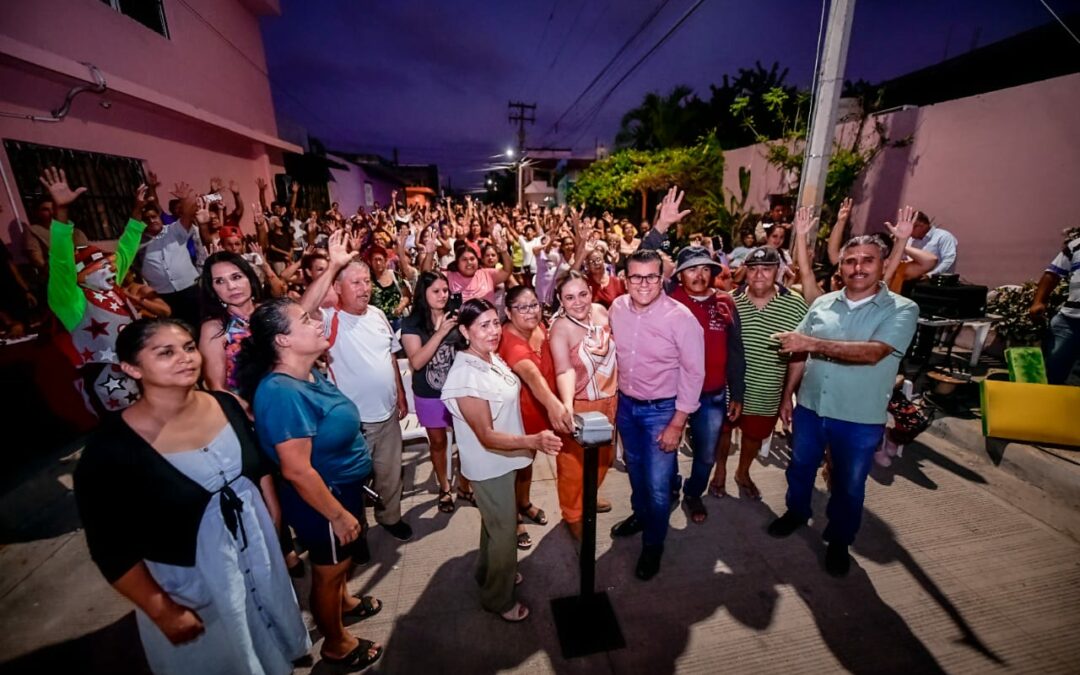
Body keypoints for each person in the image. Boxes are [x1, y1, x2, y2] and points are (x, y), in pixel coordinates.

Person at [74, 318, 310, 675]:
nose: (185, 358)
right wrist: (162, 610)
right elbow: (111, 548)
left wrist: (275, 533)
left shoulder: (224, 405)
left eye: (187, 347)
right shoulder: (111, 450)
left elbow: (259, 472)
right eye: (165, 352)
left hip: (258, 558)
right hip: (193, 585)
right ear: (131, 368)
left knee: (272, 637)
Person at [237, 298, 384, 670]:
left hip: (340, 487)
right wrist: (336, 514)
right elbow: (298, 470)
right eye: (305, 320)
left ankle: (345, 603)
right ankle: (336, 644)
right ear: (283, 341)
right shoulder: (282, 393)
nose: (317, 321)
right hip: (322, 499)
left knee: (340, 562)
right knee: (328, 569)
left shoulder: (306, 372)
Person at [769, 231, 919, 577]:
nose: (858, 267)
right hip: (810, 407)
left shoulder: (901, 309)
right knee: (800, 468)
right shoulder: (823, 303)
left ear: (883, 265)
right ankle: (797, 512)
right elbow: (798, 351)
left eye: (868, 260)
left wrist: (812, 342)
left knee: (849, 484)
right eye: (851, 260)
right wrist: (786, 397)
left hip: (858, 416)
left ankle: (838, 540)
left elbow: (874, 352)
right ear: (841, 266)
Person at [441, 299, 562, 621]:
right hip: (489, 464)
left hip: (504, 461)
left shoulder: (488, 358)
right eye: (484, 325)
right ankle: (498, 599)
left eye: (496, 323)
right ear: (465, 331)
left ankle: (489, 573)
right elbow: (486, 435)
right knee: (505, 531)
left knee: (494, 525)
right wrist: (533, 441)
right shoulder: (466, 376)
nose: (494, 331)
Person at [302, 232, 413, 542]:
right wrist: (332, 266)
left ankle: (390, 517)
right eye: (356, 283)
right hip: (354, 423)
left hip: (388, 415)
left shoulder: (378, 315)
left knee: (391, 474)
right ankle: (358, 533)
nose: (365, 288)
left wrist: (400, 394)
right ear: (337, 288)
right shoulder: (328, 319)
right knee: (353, 482)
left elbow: (390, 357)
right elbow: (300, 313)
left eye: (367, 282)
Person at [608, 242, 705, 580]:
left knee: (659, 484)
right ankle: (640, 515)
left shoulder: (681, 319)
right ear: (625, 279)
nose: (644, 284)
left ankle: (653, 544)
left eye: (651, 278)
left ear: (663, 279)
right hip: (627, 406)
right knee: (634, 470)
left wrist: (678, 422)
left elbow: (695, 373)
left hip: (662, 410)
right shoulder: (616, 308)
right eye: (637, 278)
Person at [42, 167, 145, 415]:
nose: (111, 271)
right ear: (81, 276)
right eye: (102, 268)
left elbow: (126, 249)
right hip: (110, 384)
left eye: (110, 266)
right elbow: (61, 263)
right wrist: (61, 213)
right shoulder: (71, 301)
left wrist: (137, 209)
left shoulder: (110, 286)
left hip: (142, 372)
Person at [712, 246, 807, 499]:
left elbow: (799, 356)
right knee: (722, 432)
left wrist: (788, 395)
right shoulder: (730, 301)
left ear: (778, 270)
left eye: (766, 269)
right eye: (753, 269)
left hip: (768, 388)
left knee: (754, 435)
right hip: (730, 386)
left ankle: (743, 472)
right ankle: (719, 471)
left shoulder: (796, 305)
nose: (759, 275)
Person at [668, 246, 746, 523]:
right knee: (666, 448)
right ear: (679, 276)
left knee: (706, 456)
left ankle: (692, 493)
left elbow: (736, 350)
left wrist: (737, 393)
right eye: (691, 269)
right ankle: (671, 486)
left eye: (704, 268)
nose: (699, 275)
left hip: (712, 393)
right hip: (671, 394)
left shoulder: (725, 301)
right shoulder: (669, 298)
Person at [498, 286, 574, 550]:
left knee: (526, 463)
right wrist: (555, 405)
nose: (530, 312)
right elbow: (532, 376)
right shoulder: (508, 339)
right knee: (513, 468)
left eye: (533, 305)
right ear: (508, 311)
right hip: (518, 416)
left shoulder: (538, 325)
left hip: (538, 411)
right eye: (522, 307)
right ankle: (514, 519)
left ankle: (525, 503)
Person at [549, 271, 618, 540]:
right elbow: (563, 370)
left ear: (591, 291)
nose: (578, 302)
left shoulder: (602, 312)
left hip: (612, 400)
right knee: (572, 465)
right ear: (560, 300)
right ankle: (572, 513)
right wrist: (567, 406)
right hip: (582, 404)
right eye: (569, 297)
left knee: (603, 459)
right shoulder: (560, 328)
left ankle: (589, 495)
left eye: (582, 294)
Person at [401, 271, 474, 512]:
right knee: (439, 442)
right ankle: (444, 487)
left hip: (459, 390)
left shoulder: (456, 315)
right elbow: (417, 362)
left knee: (465, 439)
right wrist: (441, 332)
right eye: (436, 291)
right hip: (429, 393)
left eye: (446, 290)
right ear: (423, 293)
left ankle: (464, 485)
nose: (443, 296)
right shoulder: (412, 324)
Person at [197, 252, 263, 395]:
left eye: (236, 277)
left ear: (249, 278)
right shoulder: (214, 328)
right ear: (212, 289)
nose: (231, 286)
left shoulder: (269, 311)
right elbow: (217, 387)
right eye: (220, 281)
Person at [136, 193, 203, 326]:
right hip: (164, 296)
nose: (151, 220)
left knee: (201, 323)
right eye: (146, 219)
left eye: (154, 216)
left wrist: (184, 199)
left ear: (159, 217)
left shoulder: (173, 230)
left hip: (191, 290)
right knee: (178, 329)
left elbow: (188, 214)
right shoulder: (137, 243)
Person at [1031, 230, 1080, 384]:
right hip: (1069, 321)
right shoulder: (1076, 246)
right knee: (1053, 373)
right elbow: (1052, 274)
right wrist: (1039, 301)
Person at [368, 244, 411, 332]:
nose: (378, 263)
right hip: (378, 323)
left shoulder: (394, 275)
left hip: (398, 321)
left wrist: (401, 306)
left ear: (386, 260)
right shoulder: (368, 280)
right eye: (375, 260)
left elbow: (407, 295)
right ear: (370, 262)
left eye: (380, 259)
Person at [909, 210, 958, 276]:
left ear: (922, 225)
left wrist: (930, 275)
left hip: (936, 282)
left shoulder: (943, 237)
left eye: (911, 228)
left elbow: (949, 260)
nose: (909, 232)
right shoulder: (910, 240)